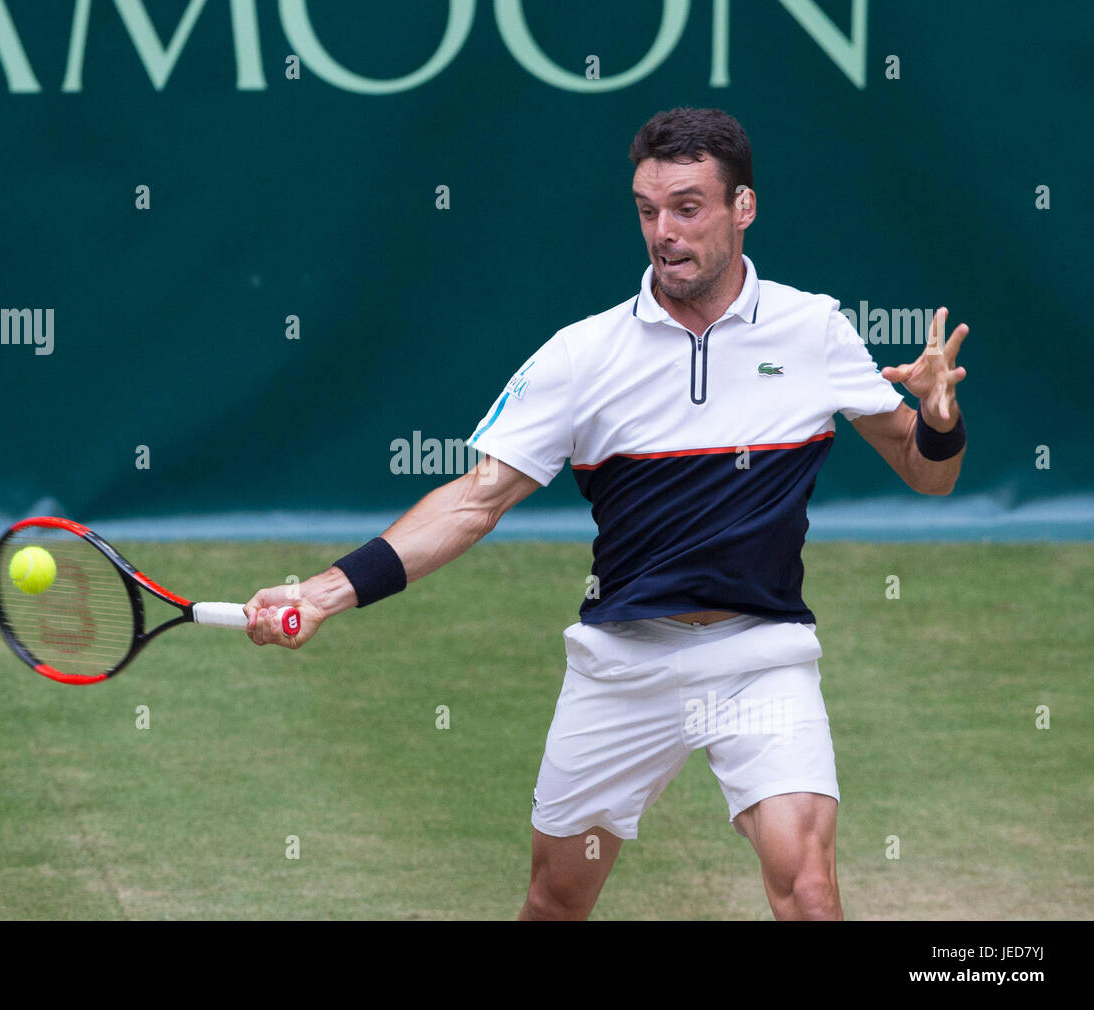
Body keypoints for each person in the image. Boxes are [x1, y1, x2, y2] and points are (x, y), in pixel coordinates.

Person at [243, 107, 968, 921]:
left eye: (688, 207)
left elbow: (928, 474)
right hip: (623, 667)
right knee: (556, 900)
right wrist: (324, 591)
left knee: (807, 886)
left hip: (761, 652)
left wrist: (940, 422)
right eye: (647, 210)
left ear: (744, 208)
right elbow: (475, 500)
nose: (663, 231)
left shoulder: (814, 331)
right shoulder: (583, 355)